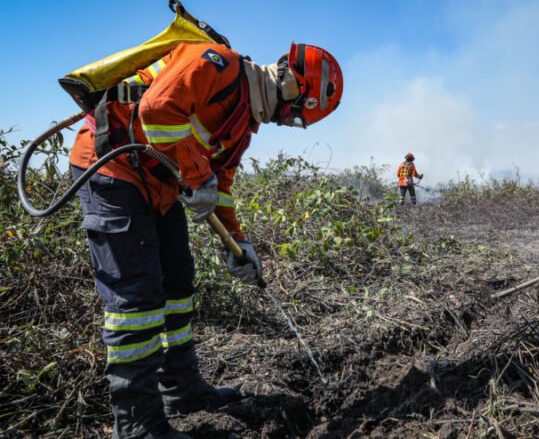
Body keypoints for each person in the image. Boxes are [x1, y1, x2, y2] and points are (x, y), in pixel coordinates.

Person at [69, 42, 343, 438]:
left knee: (179, 283)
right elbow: (158, 110)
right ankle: (138, 425)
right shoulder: (217, 64)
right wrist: (197, 178)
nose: (287, 121)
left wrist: (239, 242)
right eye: (296, 112)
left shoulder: (243, 125)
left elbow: (222, 186)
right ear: (290, 85)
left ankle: (181, 389)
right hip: (113, 169)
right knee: (137, 302)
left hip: (158, 185)